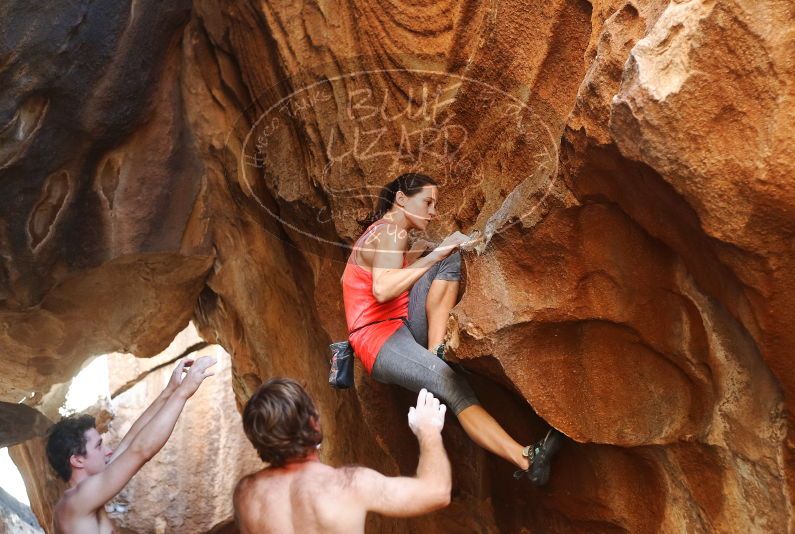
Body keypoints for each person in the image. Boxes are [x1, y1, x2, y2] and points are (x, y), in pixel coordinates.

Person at [341, 172, 563, 485]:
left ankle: (435, 351)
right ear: (401, 199)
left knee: (450, 255)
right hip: (379, 340)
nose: (433, 211)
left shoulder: (393, 233)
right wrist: (432, 255)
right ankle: (527, 460)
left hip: (399, 323)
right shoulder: (389, 230)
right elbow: (381, 290)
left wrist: (435, 253)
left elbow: (356, 281)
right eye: (427, 202)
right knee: (454, 388)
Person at [235, 379, 451, 533]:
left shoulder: (246, 494)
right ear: (313, 422)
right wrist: (428, 430)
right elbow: (436, 492)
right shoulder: (348, 484)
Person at [46, 356, 217, 534]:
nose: (108, 451)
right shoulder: (77, 500)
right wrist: (183, 393)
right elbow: (141, 451)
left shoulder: (88, 494)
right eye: (98, 446)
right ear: (78, 460)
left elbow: (131, 441)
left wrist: (170, 391)